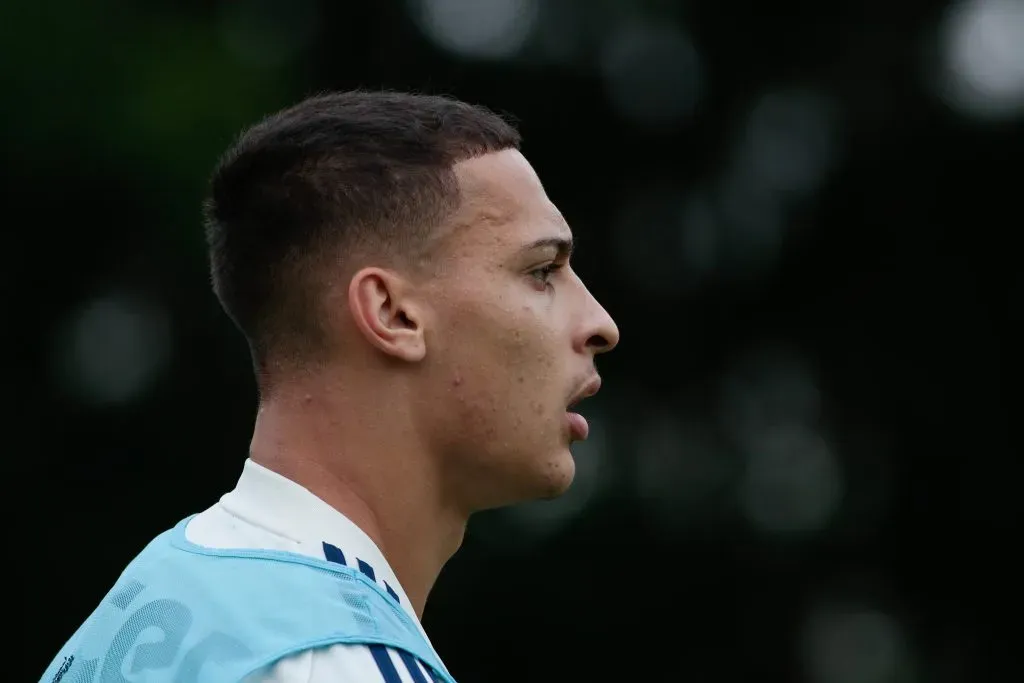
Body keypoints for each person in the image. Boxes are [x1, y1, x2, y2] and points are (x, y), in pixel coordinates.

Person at [38, 90, 620, 683]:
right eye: (541, 271)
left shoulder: (153, 599)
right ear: (392, 313)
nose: (601, 324)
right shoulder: (334, 662)